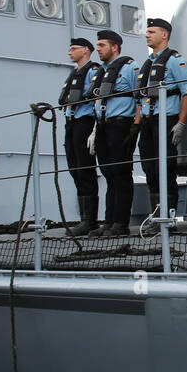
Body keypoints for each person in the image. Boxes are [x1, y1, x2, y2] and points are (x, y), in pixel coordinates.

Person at [133, 18, 187, 237]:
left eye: (152, 32)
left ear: (164, 35)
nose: (147, 35)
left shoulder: (175, 61)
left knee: (164, 169)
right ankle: (156, 217)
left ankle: (168, 219)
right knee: (149, 169)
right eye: (147, 32)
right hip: (148, 122)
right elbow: (140, 98)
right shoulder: (148, 63)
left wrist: (181, 123)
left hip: (165, 120)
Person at [89, 29, 139, 238]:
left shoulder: (130, 68)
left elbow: (140, 98)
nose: (98, 49)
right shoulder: (102, 72)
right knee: (108, 174)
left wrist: (135, 126)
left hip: (121, 125)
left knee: (121, 173)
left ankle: (121, 222)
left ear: (114, 47)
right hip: (103, 126)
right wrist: (94, 130)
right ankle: (109, 221)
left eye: (102, 45)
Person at [59, 37, 102, 236]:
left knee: (85, 169)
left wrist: (94, 128)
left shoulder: (93, 71)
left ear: (85, 50)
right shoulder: (75, 73)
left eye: (73, 49)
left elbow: (96, 99)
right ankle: (84, 217)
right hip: (72, 122)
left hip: (85, 122)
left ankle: (89, 221)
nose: (70, 52)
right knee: (74, 168)